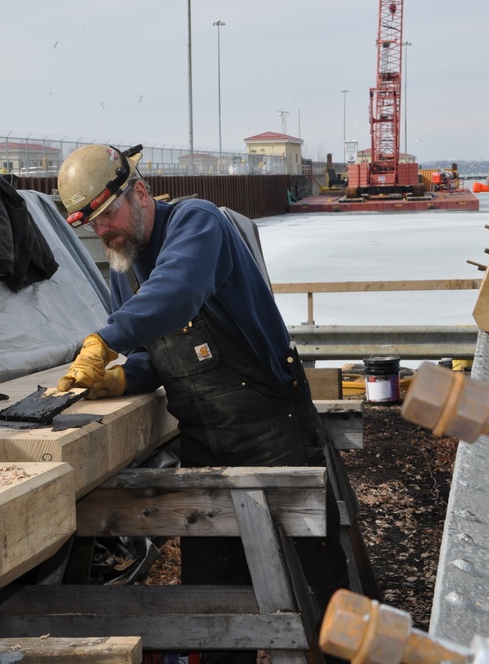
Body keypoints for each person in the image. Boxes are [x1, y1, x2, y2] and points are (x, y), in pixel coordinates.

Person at [56, 144, 353, 662]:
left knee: (321, 595)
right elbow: (157, 355)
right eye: (92, 224)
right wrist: (122, 379)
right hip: (207, 447)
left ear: (141, 193)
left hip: (273, 435)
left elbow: (178, 292)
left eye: (109, 215)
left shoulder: (199, 223)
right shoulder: (123, 270)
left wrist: (106, 341)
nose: (104, 232)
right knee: (213, 610)